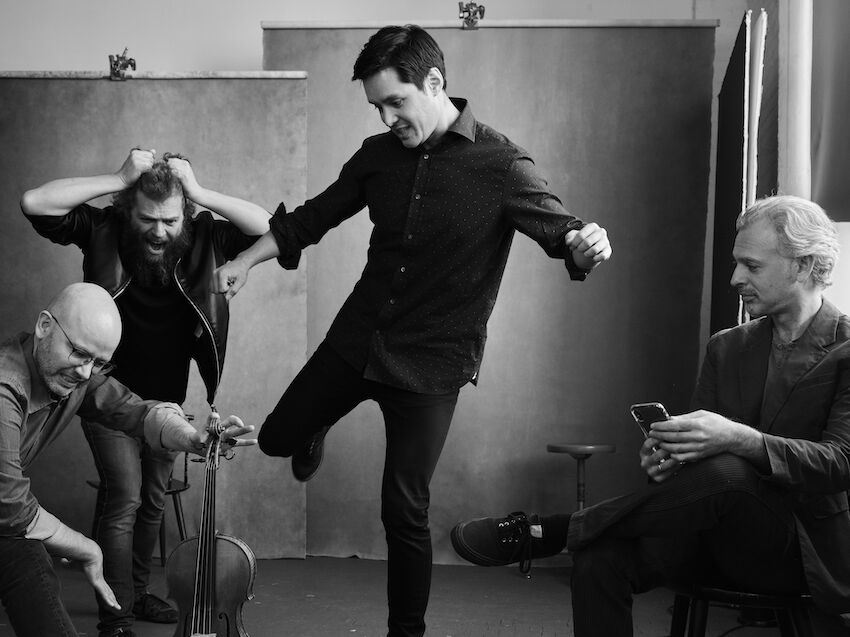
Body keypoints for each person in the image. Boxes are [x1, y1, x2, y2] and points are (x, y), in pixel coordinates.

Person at [212, 24, 612, 637]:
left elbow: (566, 235)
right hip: (359, 338)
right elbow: (311, 220)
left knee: (404, 508)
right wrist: (243, 262)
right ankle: (315, 426)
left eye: (395, 102)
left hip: (431, 363)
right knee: (274, 439)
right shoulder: (377, 157)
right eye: (377, 106)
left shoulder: (502, 164)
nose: (387, 117)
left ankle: (407, 633)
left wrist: (585, 247)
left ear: (434, 82)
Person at [451, 195, 850, 635]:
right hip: (712, 540)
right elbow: (702, 464)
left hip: (801, 553)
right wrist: (671, 459)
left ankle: (554, 531)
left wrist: (740, 439)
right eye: (736, 263)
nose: (736, 278)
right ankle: (567, 534)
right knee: (600, 555)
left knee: (732, 473)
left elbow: (840, 463)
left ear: (803, 265)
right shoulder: (728, 347)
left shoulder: (846, 349)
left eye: (752, 266)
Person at [20, 150, 269, 637]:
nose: (159, 231)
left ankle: (136, 593)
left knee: (153, 501)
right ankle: (115, 615)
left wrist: (198, 192)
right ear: (127, 211)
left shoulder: (205, 236)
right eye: (148, 219)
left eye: (170, 221)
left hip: (167, 400)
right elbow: (35, 203)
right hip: (103, 392)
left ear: (186, 217)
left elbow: (267, 228)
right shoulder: (104, 228)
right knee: (125, 498)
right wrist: (118, 178)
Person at [0, 282, 254, 637]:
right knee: (26, 551)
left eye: (98, 362)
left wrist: (192, 439)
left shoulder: (74, 378)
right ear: (44, 326)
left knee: (28, 559)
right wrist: (87, 548)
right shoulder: (5, 388)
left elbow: (135, 411)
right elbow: (11, 508)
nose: (85, 372)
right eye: (79, 353)